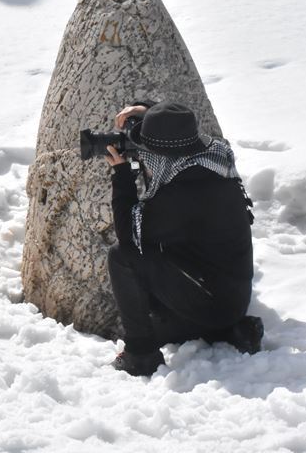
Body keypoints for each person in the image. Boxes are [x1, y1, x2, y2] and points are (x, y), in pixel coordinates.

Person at [104, 101, 262, 376]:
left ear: (165, 153)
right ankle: (229, 332)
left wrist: (122, 175)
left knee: (121, 258)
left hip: (211, 302)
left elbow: (130, 237)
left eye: (149, 148)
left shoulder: (183, 193)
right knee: (162, 321)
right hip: (229, 296)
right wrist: (146, 111)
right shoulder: (214, 154)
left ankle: (140, 356)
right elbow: (174, 123)